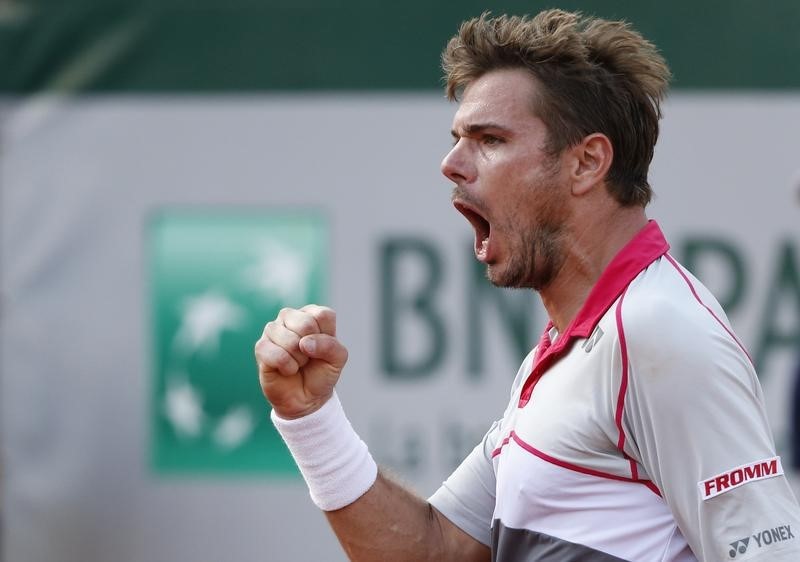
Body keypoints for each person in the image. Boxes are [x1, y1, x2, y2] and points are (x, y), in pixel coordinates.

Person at [255, 9, 800, 561]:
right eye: (457, 139)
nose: (451, 164)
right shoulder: (573, 347)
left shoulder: (658, 333)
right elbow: (435, 550)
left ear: (587, 162)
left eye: (489, 139)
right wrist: (311, 419)